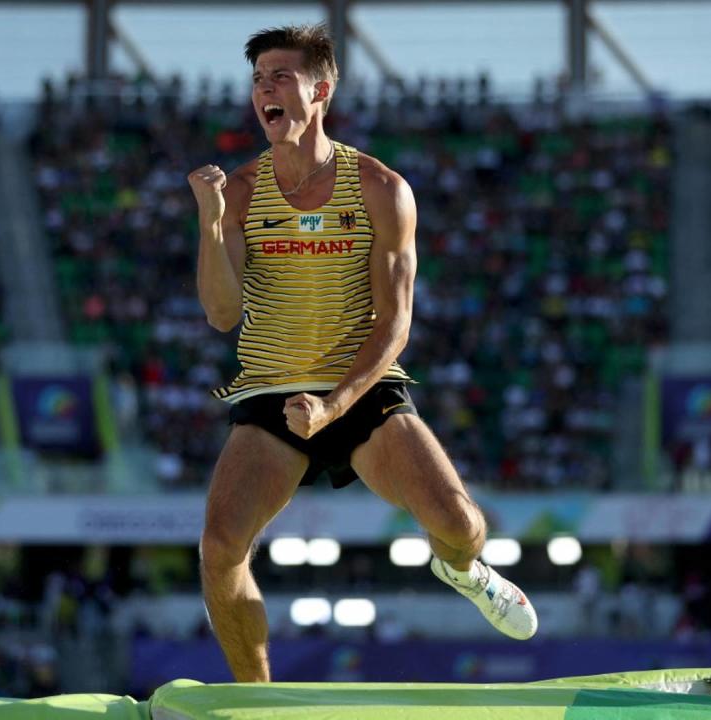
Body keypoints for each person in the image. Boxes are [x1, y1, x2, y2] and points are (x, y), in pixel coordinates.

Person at [187, 23, 537, 682]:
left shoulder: (379, 188)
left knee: (461, 524)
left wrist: (333, 403)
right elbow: (221, 313)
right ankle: (257, 698)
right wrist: (208, 224)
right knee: (219, 545)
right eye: (259, 78)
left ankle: (462, 569)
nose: (265, 89)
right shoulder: (236, 192)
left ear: (320, 90)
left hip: (361, 388)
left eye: (280, 76)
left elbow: (396, 322)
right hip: (269, 392)